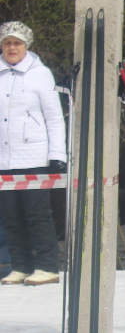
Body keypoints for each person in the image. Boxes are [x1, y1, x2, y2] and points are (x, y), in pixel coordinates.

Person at [0, 21, 66, 285]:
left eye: (17, 43)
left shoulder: (40, 74)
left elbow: (54, 117)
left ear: (26, 45)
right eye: (7, 43)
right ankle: (21, 266)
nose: (12, 48)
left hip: (34, 156)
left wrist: (57, 154)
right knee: (11, 216)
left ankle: (47, 266)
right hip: (4, 158)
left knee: (37, 214)